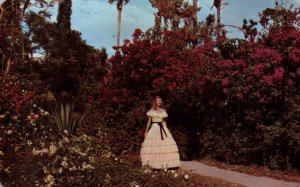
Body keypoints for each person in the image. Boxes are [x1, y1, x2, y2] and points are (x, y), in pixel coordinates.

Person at [140, 96, 180, 169]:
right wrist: (146, 132)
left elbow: (164, 121)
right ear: (155, 102)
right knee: (154, 146)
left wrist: (167, 131)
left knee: (164, 146)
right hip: (154, 128)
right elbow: (149, 122)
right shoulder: (152, 110)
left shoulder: (163, 110)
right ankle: (153, 164)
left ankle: (165, 163)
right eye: (158, 101)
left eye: (160, 101)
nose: (159, 102)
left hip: (162, 128)